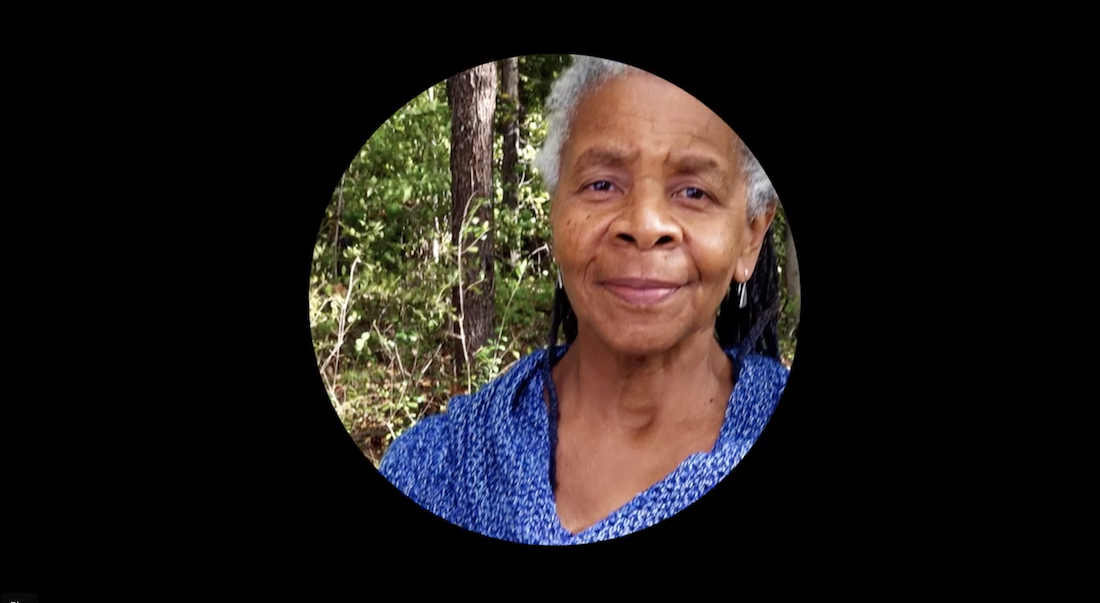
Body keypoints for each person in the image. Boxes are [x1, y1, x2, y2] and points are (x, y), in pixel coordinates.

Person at [378, 55, 788, 545]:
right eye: (601, 184)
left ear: (750, 236)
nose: (643, 224)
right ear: (556, 217)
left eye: (694, 191)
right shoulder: (432, 471)